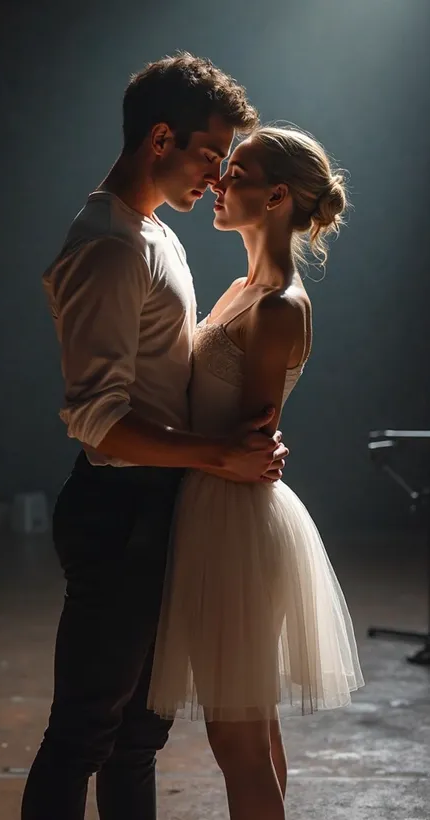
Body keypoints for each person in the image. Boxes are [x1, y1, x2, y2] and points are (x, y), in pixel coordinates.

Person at [21, 54, 289, 820]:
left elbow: (167, 382)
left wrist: (233, 449)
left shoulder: (152, 234)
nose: (218, 173)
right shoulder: (109, 246)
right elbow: (97, 420)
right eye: (211, 153)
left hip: (158, 503)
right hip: (118, 512)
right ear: (161, 137)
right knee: (83, 735)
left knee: (138, 738)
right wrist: (219, 457)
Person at [147, 125, 365, 820]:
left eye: (235, 172)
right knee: (250, 729)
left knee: (236, 735)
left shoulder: (278, 308)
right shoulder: (243, 287)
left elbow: (251, 436)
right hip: (215, 502)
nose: (217, 181)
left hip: (235, 517)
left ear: (276, 196)